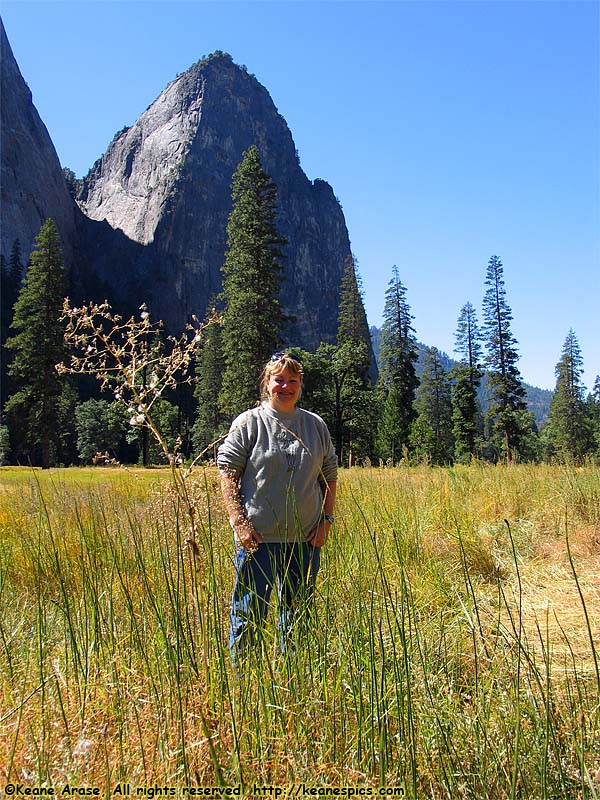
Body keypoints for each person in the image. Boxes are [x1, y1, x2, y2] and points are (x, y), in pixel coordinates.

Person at [217, 352, 338, 661]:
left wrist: (325, 521)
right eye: (279, 380)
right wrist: (240, 524)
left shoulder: (315, 425)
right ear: (267, 383)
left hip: (305, 540)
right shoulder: (249, 423)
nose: (286, 386)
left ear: (300, 386)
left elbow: (330, 478)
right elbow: (227, 475)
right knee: (248, 616)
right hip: (258, 542)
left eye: (292, 381)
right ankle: (246, 684)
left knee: (298, 618)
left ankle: (294, 680)